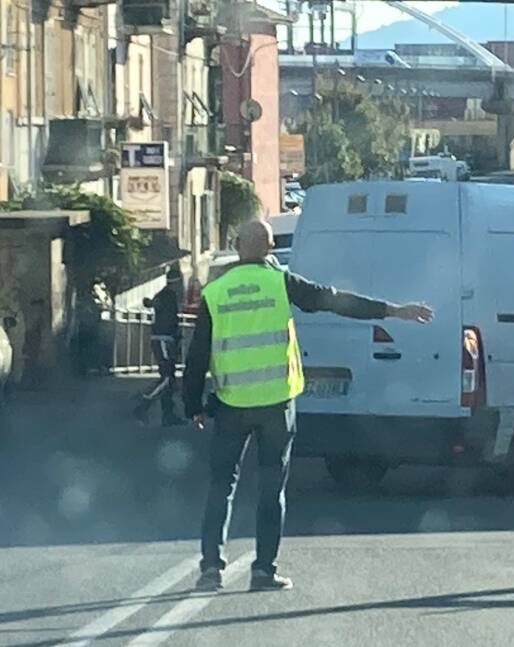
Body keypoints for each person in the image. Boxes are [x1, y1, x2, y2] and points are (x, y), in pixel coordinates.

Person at [183, 219, 433, 592]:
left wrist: (193, 405)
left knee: (222, 486)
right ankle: (264, 571)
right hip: (276, 404)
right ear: (269, 249)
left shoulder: (215, 292)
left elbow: (198, 352)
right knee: (271, 489)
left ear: (237, 247)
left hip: (231, 403)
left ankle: (210, 569)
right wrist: (394, 311)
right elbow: (334, 300)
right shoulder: (281, 282)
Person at [133, 266, 185, 426]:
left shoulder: (167, 296)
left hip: (166, 340)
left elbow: (153, 304)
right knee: (167, 378)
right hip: (163, 340)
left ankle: (168, 414)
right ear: (176, 283)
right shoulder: (167, 296)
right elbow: (154, 304)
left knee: (170, 377)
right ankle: (143, 404)